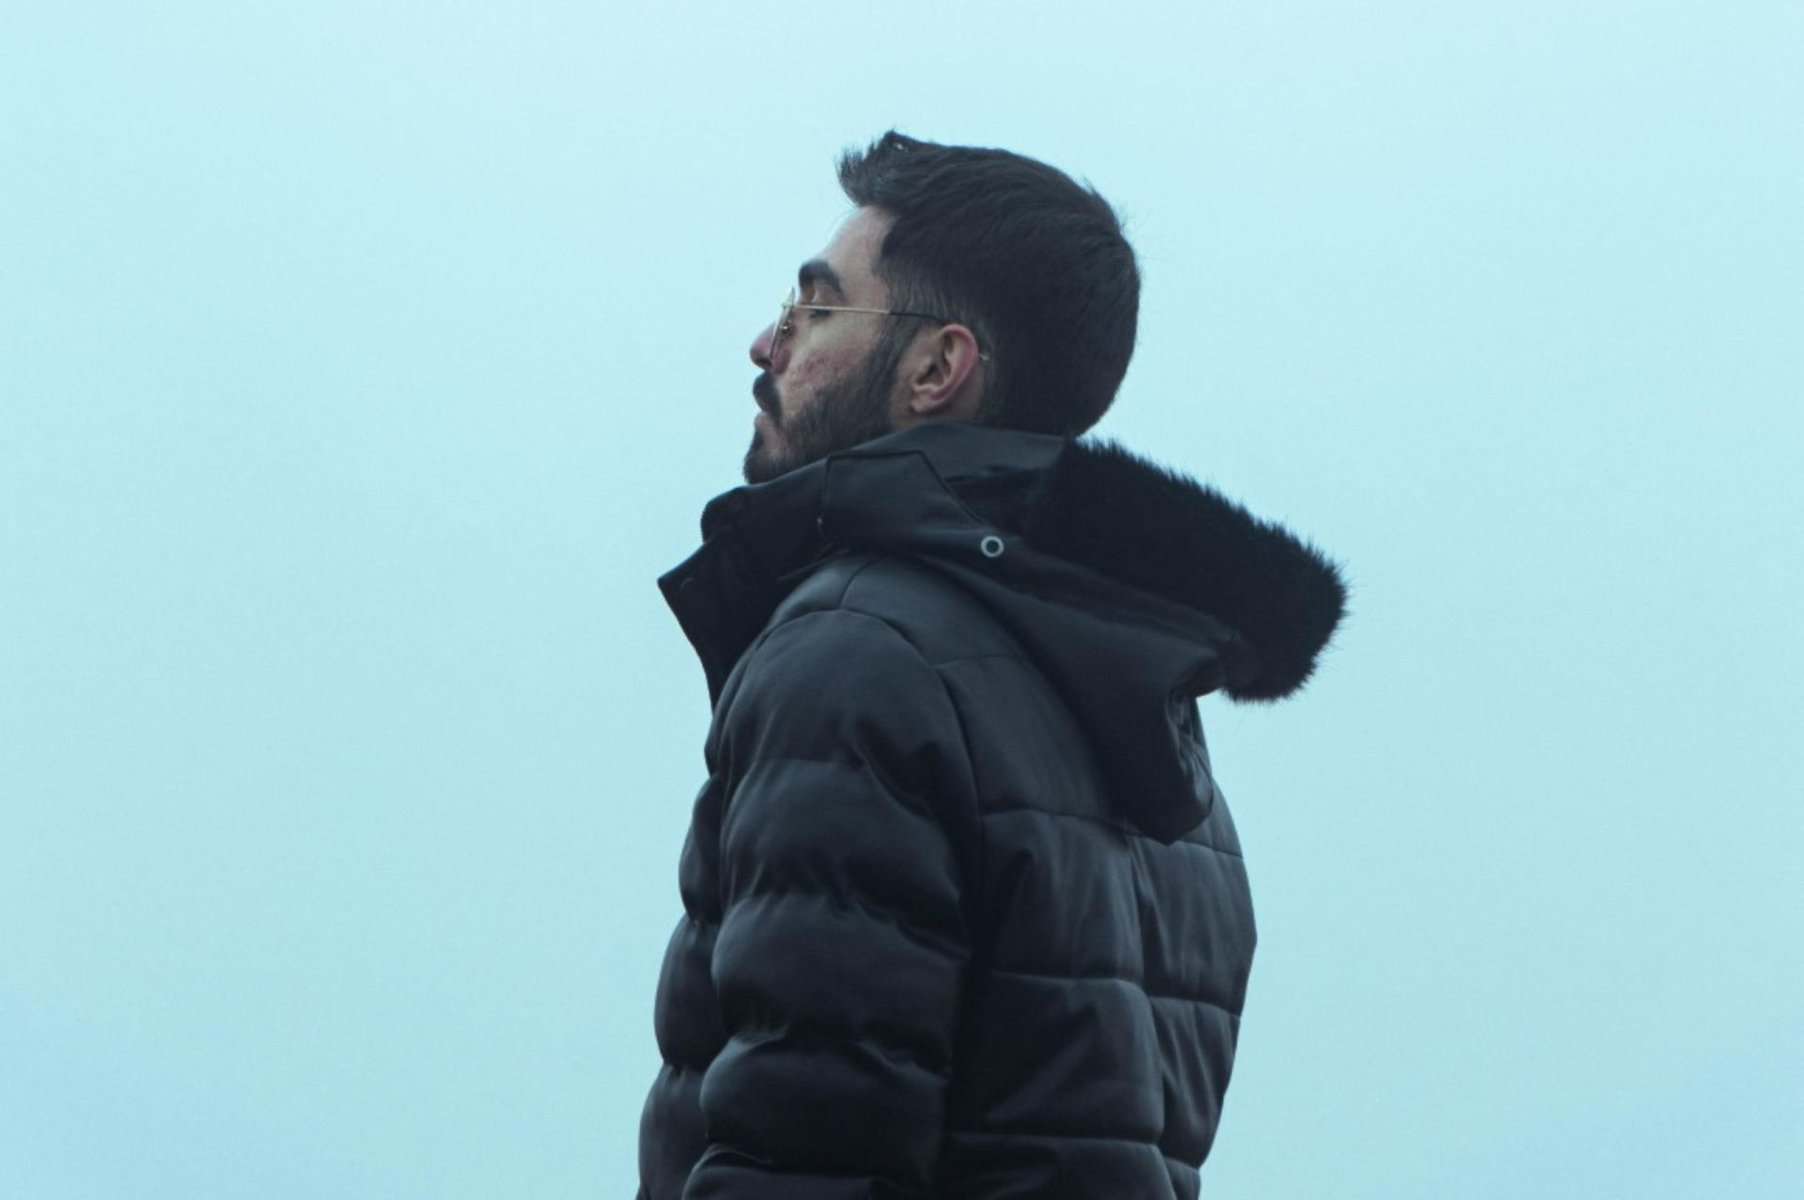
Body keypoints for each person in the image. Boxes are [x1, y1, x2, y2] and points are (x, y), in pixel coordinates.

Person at [637, 132, 1346, 1199]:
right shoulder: (1155, 732)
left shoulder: (855, 656)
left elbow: (810, 1153)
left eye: (815, 309)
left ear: (935, 369)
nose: (763, 345)